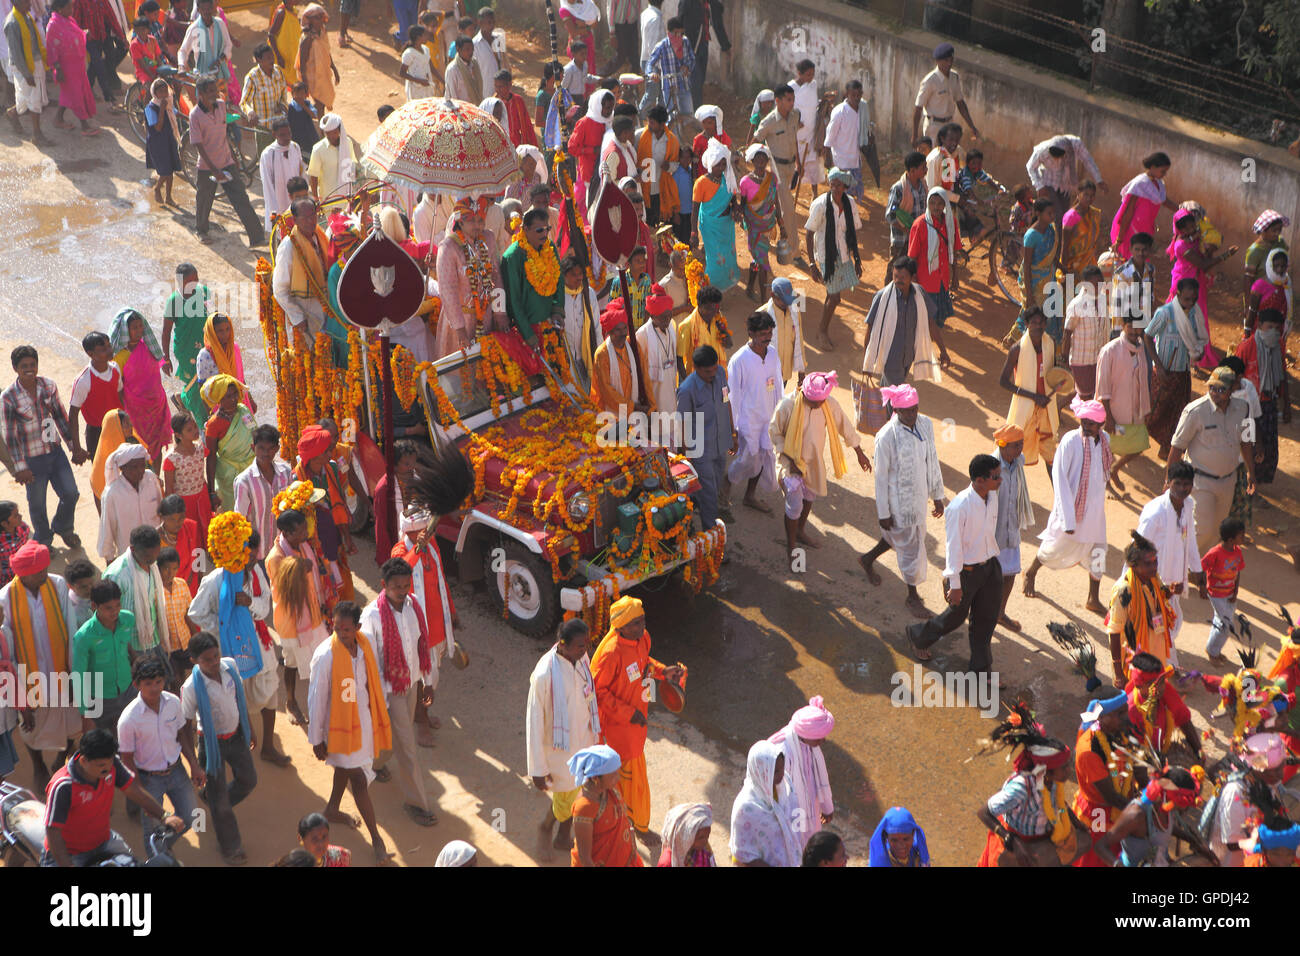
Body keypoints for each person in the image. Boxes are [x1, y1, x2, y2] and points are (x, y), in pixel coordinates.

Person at [590, 595, 684, 847]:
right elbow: (598, 694)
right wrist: (629, 713)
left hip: (636, 727)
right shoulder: (610, 654)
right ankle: (627, 827)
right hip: (617, 730)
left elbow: (645, 667)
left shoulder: (643, 639)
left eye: (642, 620)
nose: (641, 627)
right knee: (618, 782)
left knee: (634, 781)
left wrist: (663, 671)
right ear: (620, 627)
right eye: (634, 623)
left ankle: (636, 824)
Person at [306, 601, 393, 863]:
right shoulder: (326, 655)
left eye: (346, 629)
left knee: (346, 767)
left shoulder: (365, 645)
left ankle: (331, 809)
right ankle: (376, 837)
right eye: (336, 628)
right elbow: (317, 698)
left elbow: (371, 680)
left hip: (363, 723)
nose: (341, 634)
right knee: (358, 779)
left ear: (357, 627)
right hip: (338, 728)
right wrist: (316, 738)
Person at [907, 454, 1002, 674]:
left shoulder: (992, 496)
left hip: (990, 567)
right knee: (955, 617)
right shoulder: (959, 507)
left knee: (986, 619)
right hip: (967, 573)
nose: (1000, 480)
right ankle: (918, 636)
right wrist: (955, 584)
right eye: (995, 477)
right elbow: (953, 547)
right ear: (979, 480)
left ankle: (981, 668)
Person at [360, 558, 438, 828]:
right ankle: (417, 803)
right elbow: (369, 661)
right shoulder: (371, 616)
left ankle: (375, 764)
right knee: (408, 747)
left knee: (395, 739)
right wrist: (380, 698)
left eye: (406, 585)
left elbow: (421, 645)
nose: (402, 591)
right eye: (396, 587)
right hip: (389, 690)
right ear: (384, 585)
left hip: (412, 682)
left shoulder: (414, 606)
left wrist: (427, 680)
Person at [860, 383, 945, 619]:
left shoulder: (925, 424)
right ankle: (912, 596)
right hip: (899, 503)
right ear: (896, 411)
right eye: (907, 411)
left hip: (919, 498)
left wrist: (938, 495)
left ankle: (867, 559)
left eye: (915, 409)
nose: (912, 415)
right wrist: (883, 512)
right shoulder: (886, 436)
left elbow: (933, 460)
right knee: (912, 547)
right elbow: (881, 479)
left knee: (903, 537)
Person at [0, 540, 80, 790]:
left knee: (72, 721)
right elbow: (7, 651)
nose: (45, 574)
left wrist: (73, 675)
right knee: (30, 727)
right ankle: (38, 766)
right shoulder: (6, 598)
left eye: (45, 569)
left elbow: (70, 627)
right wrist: (19, 694)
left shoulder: (56, 585)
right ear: (23, 574)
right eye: (39, 572)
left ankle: (60, 759)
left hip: (61, 670)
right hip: (28, 677)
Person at [41, 727, 183, 867]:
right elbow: (53, 830)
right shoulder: (63, 786)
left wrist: (164, 815)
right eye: (101, 765)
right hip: (70, 853)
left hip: (103, 842)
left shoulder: (112, 763)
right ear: (83, 761)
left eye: (109, 763)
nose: (107, 769)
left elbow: (133, 790)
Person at [1022, 398, 1112, 614]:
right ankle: (1031, 572)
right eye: (1085, 422)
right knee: (1054, 547)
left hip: (1095, 512)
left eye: (1092, 424)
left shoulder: (1105, 439)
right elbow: (1060, 478)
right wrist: (1067, 518)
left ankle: (1093, 597)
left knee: (1099, 552)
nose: (1087, 426)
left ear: (1101, 425)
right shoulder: (1070, 441)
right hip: (1072, 510)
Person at [770, 370, 870, 566]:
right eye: (814, 402)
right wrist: (790, 461)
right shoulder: (788, 404)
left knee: (810, 496)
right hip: (789, 463)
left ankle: (800, 531)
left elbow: (844, 425)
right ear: (805, 394)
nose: (818, 405)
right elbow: (775, 432)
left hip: (813, 462)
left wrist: (859, 452)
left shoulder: (828, 403)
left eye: (821, 401)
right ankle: (791, 546)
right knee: (794, 503)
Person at [526, 618, 601, 861]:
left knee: (575, 792)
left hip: (583, 740)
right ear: (562, 644)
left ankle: (561, 837)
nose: (585, 650)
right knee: (565, 795)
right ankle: (546, 829)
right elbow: (534, 723)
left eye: (586, 644)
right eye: (580, 646)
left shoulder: (581, 660)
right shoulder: (544, 675)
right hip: (558, 751)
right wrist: (537, 769)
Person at [180, 631, 256, 865]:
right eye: (207, 660)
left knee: (249, 780)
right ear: (194, 660)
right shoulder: (191, 686)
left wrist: (250, 728)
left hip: (236, 737)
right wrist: (193, 763)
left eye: (215, 656)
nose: (213, 663)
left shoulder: (230, 666)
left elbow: (239, 699)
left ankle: (212, 799)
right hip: (211, 745)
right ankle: (231, 847)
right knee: (221, 803)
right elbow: (185, 726)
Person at [117, 655, 202, 849]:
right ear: (137, 685)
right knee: (152, 832)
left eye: (159, 682)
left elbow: (182, 735)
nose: (155, 688)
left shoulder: (173, 702)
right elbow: (127, 760)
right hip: (148, 780)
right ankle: (159, 855)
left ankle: (162, 848)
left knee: (189, 817)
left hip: (177, 771)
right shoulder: (128, 720)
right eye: (148, 683)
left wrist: (194, 766)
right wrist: (141, 794)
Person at [2, 346, 83, 549]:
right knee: (37, 505)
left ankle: (63, 527)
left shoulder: (48, 385)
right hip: (31, 460)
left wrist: (74, 447)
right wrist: (20, 467)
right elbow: (10, 436)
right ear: (15, 368)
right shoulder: (8, 397)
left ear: (37, 365)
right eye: (24, 366)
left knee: (71, 493)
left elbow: (61, 418)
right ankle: (44, 539)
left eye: (32, 365)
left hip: (55, 453)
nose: (29, 369)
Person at [1168, 366, 1254, 554]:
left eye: (1222, 389)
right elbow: (1177, 448)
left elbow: (1247, 441)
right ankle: (1182, 565)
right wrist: (1169, 481)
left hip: (1228, 480)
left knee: (1217, 531)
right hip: (1200, 481)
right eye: (1212, 388)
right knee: (1202, 530)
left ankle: (1201, 569)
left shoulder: (1243, 408)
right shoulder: (1195, 411)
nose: (1215, 393)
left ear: (1232, 390)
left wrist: (1251, 472)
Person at [975, 710, 1076, 867]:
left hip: (1043, 844)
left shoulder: (1054, 780)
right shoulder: (1021, 787)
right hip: (1017, 850)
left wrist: (1073, 818)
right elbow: (984, 812)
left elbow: (1056, 800)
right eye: (1064, 768)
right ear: (1046, 772)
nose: (1069, 771)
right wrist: (1011, 840)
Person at [266, 506, 328, 726]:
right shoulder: (276, 557)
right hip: (291, 621)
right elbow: (286, 589)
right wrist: (300, 567)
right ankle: (291, 702)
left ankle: (322, 703)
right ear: (287, 533)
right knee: (292, 663)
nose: (306, 533)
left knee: (322, 659)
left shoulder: (302, 547)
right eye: (301, 531)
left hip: (313, 615)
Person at [1135, 461, 1201, 662]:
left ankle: (1158, 660)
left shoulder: (1188, 506)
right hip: (1154, 581)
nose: (1182, 489)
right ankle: (1164, 665)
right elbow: (1137, 548)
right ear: (1168, 482)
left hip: (1175, 581)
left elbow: (1190, 541)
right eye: (1178, 483)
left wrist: (1197, 570)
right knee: (1158, 625)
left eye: (1187, 484)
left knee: (1169, 622)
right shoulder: (1156, 512)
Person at [189, 78, 266, 246]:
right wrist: (213, 168)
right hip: (206, 167)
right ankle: (201, 231)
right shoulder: (195, 115)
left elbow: (224, 133)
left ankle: (257, 237)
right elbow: (198, 145)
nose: (214, 94)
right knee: (204, 200)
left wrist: (234, 157)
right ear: (200, 94)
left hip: (226, 162)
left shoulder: (221, 106)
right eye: (209, 91)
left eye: (215, 90)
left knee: (241, 198)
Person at [1166, 208, 1237, 370]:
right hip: (1185, 284)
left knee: (1198, 318)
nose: (1193, 229)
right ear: (1181, 230)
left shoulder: (1193, 239)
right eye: (1189, 228)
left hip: (1197, 282)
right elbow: (1203, 264)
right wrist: (1226, 255)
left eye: (1194, 226)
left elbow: (1205, 255)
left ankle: (1194, 357)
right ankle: (1185, 357)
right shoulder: (1181, 245)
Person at [1071, 691, 1137, 866]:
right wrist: (1143, 811)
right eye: (1120, 714)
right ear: (1102, 718)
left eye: (1126, 711)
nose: (1126, 717)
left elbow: (1134, 765)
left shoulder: (1120, 731)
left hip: (1123, 803)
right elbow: (1111, 797)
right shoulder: (1089, 751)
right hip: (1098, 814)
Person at [863, 255, 948, 387]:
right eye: (895, 276)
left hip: (908, 357)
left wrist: (943, 351)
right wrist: (867, 362)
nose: (897, 281)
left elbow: (931, 323)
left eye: (902, 278)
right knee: (899, 398)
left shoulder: (920, 294)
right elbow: (870, 328)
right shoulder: (882, 297)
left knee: (889, 393)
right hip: (890, 358)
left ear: (912, 277)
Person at [726, 312, 782, 514]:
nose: (767, 337)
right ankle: (727, 483)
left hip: (769, 417)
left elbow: (778, 386)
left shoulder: (773, 354)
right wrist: (732, 429)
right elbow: (732, 395)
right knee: (747, 458)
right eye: (763, 333)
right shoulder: (739, 360)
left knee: (765, 456)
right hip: (748, 420)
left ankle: (750, 496)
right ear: (751, 333)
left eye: (770, 332)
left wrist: (780, 414)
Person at [1094, 313, 1153, 493]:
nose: (1135, 333)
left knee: (1139, 445)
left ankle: (1115, 469)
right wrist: (1109, 417)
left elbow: (1144, 380)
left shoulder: (1142, 349)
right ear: (1123, 325)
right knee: (1109, 448)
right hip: (1115, 414)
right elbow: (1102, 387)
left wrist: (1146, 408)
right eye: (1131, 328)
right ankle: (1106, 482)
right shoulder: (1110, 351)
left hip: (1136, 412)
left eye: (1138, 329)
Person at [435, 201, 503, 355]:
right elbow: (448, 291)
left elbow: (496, 277)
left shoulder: (489, 238)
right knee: (461, 371)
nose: (477, 226)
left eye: (481, 221)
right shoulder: (448, 247)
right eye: (472, 220)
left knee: (486, 369)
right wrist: (460, 330)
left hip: (486, 318)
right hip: (459, 322)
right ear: (460, 221)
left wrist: (500, 312)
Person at [767, 696, 834, 851]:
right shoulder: (782, 752)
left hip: (811, 804)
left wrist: (827, 807)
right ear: (807, 735)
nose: (823, 741)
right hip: (790, 812)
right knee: (793, 846)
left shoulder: (810, 745)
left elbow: (819, 777)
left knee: (810, 844)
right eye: (819, 738)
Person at [1106, 532, 1175, 682]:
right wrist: (1118, 673)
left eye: (1155, 562)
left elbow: (1161, 595)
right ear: (1134, 565)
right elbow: (1114, 632)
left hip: (1156, 655)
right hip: (1134, 661)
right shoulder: (1124, 590)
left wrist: (1170, 592)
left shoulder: (1154, 578)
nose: (1154, 567)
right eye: (1148, 563)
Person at [676, 344, 732, 524]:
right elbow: (681, 424)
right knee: (709, 493)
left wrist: (732, 431)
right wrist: (686, 457)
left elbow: (726, 401)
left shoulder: (720, 373)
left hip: (720, 443)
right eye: (708, 372)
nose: (713, 375)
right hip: (700, 451)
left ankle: (696, 504)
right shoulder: (686, 390)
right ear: (696, 369)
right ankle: (710, 532)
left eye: (714, 369)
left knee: (714, 486)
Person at [70, 579, 135, 732]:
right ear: (94, 606)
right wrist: (85, 715)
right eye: (108, 608)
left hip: (128, 691)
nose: (115, 612)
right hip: (99, 700)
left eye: (118, 605)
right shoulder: (84, 636)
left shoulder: (128, 619)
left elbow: (127, 646)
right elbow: (78, 675)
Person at [1001, 307, 1059, 476]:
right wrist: (1033, 397)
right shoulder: (1017, 349)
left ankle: (1059, 497)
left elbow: (1051, 372)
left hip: (1045, 409)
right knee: (1015, 453)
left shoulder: (1050, 344)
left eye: (1041, 323)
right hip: (1025, 409)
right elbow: (1003, 382)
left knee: (1051, 456)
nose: (1038, 326)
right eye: (1034, 322)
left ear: (1046, 324)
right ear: (1026, 324)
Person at [108, 308, 169, 467]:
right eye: (134, 327)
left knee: (157, 445)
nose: (139, 331)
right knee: (138, 446)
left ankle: (156, 478)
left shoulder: (149, 347)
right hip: (135, 411)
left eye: (140, 326)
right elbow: (118, 385)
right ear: (126, 331)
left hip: (156, 405)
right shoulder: (120, 356)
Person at [566, 743, 641, 867]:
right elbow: (585, 858)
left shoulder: (609, 789)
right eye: (613, 775)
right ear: (596, 778)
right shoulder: (584, 808)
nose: (618, 778)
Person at [730, 738, 799, 867]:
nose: (781, 775)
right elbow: (743, 854)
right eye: (775, 771)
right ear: (761, 772)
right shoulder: (746, 808)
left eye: (781, 768)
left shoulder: (785, 785)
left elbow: (794, 818)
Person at [500, 207, 564, 346]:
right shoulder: (512, 257)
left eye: (547, 229)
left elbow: (559, 281)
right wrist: (527, 334)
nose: (545, 233)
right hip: (528, 332)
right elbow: (513, 301)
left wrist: (558, 310)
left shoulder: (549, 247)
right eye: (539, 230)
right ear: (526, 229)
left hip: (551, 327)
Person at [990, 424, 1032, 631]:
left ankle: (999, 613)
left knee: (1010, 573)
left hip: (1010, 528)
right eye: (1016, 446)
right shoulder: (991, 466)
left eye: (1022, 444)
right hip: (992, 532)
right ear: (1003, 445)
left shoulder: (1018, 461)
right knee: (986, 577)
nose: (1020, 449)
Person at [1235, 308, 1284, 483]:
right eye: (1270, 327)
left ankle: (1258, 482)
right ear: (1260, 325)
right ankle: (1248, 482)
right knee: (1250, 446)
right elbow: (1235, 374)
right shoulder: (1247, 347)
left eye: (1277, 329)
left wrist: (1285, 405)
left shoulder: (1278, 347)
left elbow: (1281, 374)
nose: (1274, 332)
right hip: (1248, 405)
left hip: (1268, 403)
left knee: (1268, 448)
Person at [1122, 662, 1201, 768]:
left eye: (1163, 681)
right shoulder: (1130, 710)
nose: (1161, 687)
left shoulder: (1164, 691)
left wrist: (1199, 753)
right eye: (1153, 684)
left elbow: (1184, 720)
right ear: (1140, 686)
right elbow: (1128, 749)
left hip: (1161, 751)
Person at [231, 425, 291, 560]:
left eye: (270, 449)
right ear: (253, 448)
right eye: (261, 448)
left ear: (277, 448)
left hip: (283, 549)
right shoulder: (244, 481)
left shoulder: (286, 473)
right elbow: (240, 518)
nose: (266, 453)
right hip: (258, 554)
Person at [98, 445, 163, 564]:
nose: (140, 470)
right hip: (131, 557)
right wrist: (109, 559)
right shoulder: (112, 493)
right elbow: (107, 528)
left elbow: (161, 511)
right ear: (122, 467)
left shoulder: (151, 479)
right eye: (134, 467)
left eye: (142, 465)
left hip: (157, 551)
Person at [738, 144, 785, 302]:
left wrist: (781, 224)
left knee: (757, 259)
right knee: (763, 262)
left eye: (763, 159)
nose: (760, 161)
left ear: (766, 161)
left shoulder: (772, 179)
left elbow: (776, 202)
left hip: (768, 225)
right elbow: (743, 205)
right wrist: (742, 219)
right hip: (753, 227)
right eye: (757, 158)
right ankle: (764, 299)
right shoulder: (745, 181)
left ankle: (750, 287)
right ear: (752, 160)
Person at [68, 331, 123, 464]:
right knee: (102, 477)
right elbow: (73, 413)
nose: (109, 351)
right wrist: (77, 448)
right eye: (103, 349)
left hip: (119, 426)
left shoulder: (115, 368)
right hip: (97, 433)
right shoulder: (83, 380)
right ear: (90, 354)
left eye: (109, 346)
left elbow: (121, 395)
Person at [202, 375, 256, 513]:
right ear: (219, 400)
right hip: (228, 478)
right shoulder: (213, 425)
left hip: (251, 469)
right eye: (227, 396)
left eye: (234, 394)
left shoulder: (243, 410)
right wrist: (212, 492)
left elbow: (254, 433)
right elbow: (211, 456)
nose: (233, 399)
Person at [693, 137, 740, 292]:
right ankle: (710, 290)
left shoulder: (728, 179)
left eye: (723, 164)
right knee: (714, 260)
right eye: (717, 164)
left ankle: (724, 285)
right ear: (710, 164)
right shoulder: (701, 183)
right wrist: (694, 233)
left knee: (728, 255)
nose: (721, 167)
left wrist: (735, 208)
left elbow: (733, 199)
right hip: (709, 226)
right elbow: (695, 210)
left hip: (726, 225)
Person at [1025, 135, 1105, 225]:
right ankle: (1057, 237)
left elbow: (1088, 160)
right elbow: (1030, 167)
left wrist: (1099, 179)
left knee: (1064, 215)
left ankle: (1059, 236)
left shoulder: (1075, 144)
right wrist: (1039, 186)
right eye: (1054, 157)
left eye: (1060, 157)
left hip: (1066, 185)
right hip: (1048, 184)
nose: (1057, 160)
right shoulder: (1042, 150)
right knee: (1057, 214)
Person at [1110, 151, 1177, 259]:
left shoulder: (1158, 183)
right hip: (1131, 231)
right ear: (1153, 167)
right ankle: (1071, 276)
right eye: (1163, 171)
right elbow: (1128, 212)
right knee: (1128, 264)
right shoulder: (1139, 184)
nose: (1164, 174)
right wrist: (1119, 239)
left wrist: (1182, 209)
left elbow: (1164, 201)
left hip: (1145, 230)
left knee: (1140, 264)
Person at [907, 187, 957, 328]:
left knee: (938, 320)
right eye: (932, 203)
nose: (936, 207)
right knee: (927, 321)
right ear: (927, 204)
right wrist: (913, 278)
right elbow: (912, 256)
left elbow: (954, 250)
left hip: (943, 279)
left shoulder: (950, 223)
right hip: (925, 281)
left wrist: (955, 275)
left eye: (940, 203)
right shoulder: (920, 224)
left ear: (945, 204)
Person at [45, 0, 97, 135]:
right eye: (69, 7)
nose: (72, 9)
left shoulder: (69, 20)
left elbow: (76, 34)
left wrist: (85, 33)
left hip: (77, 65)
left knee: (69, 93)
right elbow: (51, 49)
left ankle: (58, 119)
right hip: (65, 67)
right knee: (76, 94)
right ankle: (84, 125)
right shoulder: (53, 26)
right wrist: (57, 68)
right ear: (60, 9)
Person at [912, 42, 979, 144]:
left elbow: (960, 103)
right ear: (938, 61)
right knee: (933, 157)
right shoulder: (930, 81)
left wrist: (971, 125)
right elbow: (918, 108)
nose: (949, 63)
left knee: (948, 158)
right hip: (934, 126)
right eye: (946, 60)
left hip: (949, 125)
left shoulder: (954, 77)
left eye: (951, 60)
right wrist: (915, 135)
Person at [4, 0, 50, 145]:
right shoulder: (12, 23)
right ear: (16, 3)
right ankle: (37, 135)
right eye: (26, 2)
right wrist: (26, 74)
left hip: (35, 63)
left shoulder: (27, 16)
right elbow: (16, 55)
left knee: (27, 99)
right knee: (34, 100)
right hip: (24, 68)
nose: (30, 5)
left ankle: (12, 113)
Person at [1200, 517, 1245, 664]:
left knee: (1221, 622)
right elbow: (1200, 568)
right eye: (1241, 535)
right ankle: (1213, 652)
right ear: (1231, 539)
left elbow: (1237, 572)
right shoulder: (1215, 553)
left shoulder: (1237, 551)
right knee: (1225, 625)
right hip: (1217, 594)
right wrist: (1201, 586)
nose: (1244, 537)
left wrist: (1235, 592)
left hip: (1230, 594)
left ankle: (1213, 649)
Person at [1061, 265, 1107, 399]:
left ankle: (1059, 408)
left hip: (1096, 358)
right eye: (1094, 285)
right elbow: (1067, 333)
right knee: (1085, 397)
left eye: (1100, 284)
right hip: (1081, 361)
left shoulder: (1102, 300)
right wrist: (1064, 359)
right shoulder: (1077, 304)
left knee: (1088, 394)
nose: (1097, 288)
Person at [822, 79, 870, 202]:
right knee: (842, 192)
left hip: (855, 158)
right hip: (841, 159)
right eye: (853, 95)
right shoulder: (839, 111)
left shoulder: (862, 109)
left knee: (855, 189)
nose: (856, 97)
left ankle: (851, 212)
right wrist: (827, 157)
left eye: (859, 95)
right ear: (847, 94)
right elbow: (830, 134)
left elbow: (865, 129)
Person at [635, 283, 679, 414]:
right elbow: (639, 370)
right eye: (663, 317)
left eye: (669, 315)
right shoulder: (642, 335)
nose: (667, 320)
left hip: (670, 385)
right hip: (654, 391)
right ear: (652, 316)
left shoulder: (671, 326)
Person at [259, 117, 304, 235]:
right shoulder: (268, 154)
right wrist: (274, 211)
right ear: (274, 134)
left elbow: (301, 173)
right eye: (282, 135)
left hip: (295, 201)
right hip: (278, 202)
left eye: (289, 133)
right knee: (281, 234)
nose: (287, 138)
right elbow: (267, 185)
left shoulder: (295, 147)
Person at [675, 283, 730, 378]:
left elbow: (729, 344)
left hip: (716, 376)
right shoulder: (687, 326)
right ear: (699, 305)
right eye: (709, 309)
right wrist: (688, 383)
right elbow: (679, 359)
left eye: (716, 309)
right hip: (697, 380)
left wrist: (723, 332)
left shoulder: (717, 319)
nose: (713, 312)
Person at [761, 277, 806, 389]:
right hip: (766, 374)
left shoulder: (794, 311)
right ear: (772, 295)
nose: (787, 304)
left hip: (784, 373)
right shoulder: (762, 315)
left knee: (779, 401)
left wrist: (801, 370)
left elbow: (799, 339)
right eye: (783, 300)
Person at [886, 151, 928, 261]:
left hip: (918, 239)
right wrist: (905, 228)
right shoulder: (899, 188)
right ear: (913, 170)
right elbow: (891, 213)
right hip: (901, 240)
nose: (926, 170)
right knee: (895, 273)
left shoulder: (924, 186)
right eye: (923, 167)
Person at [296, 3, 336, 111]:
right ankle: (320, 125)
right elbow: (302, 62)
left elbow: (326, 51)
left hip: (323, 72)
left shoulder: (323, 32)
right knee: (320, 102)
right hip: (311, 75)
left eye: (321, 17)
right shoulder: (307, 39)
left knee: (322, 100)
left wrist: (334, 69)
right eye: (316, 18)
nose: (320, 20)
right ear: (309, 20)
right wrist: (304, 83)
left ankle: (314, 117)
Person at [1242, 210, 1289, 303]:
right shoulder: (1254, 251)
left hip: (1279, 293)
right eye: (1274, 230)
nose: (1277, 233)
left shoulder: (1280, 243)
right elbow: (1248, 280)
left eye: (1279, 230)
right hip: (1261, 297)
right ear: (1263, 230)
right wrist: (1248, 304)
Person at [307, 111, 355, 201]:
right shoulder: (318, 149)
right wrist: (316, 198)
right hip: (328, 198)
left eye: (334, 132)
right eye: (327, 133)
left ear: (339, 130)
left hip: (346, 197)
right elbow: (313, 176)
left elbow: (351, 166)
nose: (331, 136)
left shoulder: (347, 143)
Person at [1060, 182, 1103, 278]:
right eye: (1086, 195)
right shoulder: (1071, 216)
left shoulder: (1094, 213)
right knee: (1072, 292)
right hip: (1073, 265)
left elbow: (1094, 240)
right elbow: (1065, 246)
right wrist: (1064, 271)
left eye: (1092, 195)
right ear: (1078, 195)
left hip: (1090, 262)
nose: (1089, 198)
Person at [657, 802, 714, 867]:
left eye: (708, 836)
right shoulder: (667, 863)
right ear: (685, 837)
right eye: (701, 837)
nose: (706, 841)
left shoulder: (701, 847)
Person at [267, 0, 301, 85]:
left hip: (291, 53)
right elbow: (271, 34)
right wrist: (279, 56)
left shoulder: (293, 11)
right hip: (282, 55)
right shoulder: (281, 13)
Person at [0, 502, 31, 587]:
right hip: (7, 580)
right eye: (16, 516)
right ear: (4, 524)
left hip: (25, 570)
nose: (20, 516)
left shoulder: (23, 527)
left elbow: (27, 546)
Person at [443, 34, 481, 102]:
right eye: (467, 49)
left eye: (472, 49)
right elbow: (453, 96)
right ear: (458, 49)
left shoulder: (474, 64)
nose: (471, 52)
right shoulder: (452, 69)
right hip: (460, 108)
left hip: (475, 106)